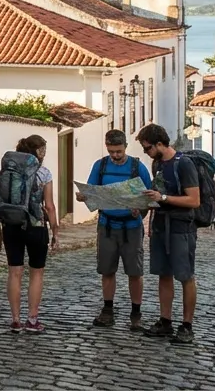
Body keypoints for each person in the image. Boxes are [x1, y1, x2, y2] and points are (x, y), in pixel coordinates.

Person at [76, 129, 153, 330]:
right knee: (107, 270)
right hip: (107, 225)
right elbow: (92, 190)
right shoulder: (100, 166)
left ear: (125, 147)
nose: (115, 156)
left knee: (135, 272)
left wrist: (141, 209)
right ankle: (107, 309)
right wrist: (84, 196)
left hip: (132, 226)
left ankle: (136, 313)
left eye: (118, 151)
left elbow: (150, 196)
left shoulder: (137, 167)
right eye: (111, 151)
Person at [136, 123, 201, 345]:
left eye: (147, 148)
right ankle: (165, 321)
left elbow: (194, 200)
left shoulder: (184, 165)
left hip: (181, 227)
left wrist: (163, 199)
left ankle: (187, 326)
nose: (146, 153)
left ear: (160, 144)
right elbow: (157, 196)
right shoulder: (157, 164)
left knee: (185, 276)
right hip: (160, 226)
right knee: (163, 274)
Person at [0, 134, 59, 334]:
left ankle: (15, 320)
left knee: (14, 271)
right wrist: (55, 231)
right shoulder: (44, 173)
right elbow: (49, 206)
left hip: (11, 224)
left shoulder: (9, 169)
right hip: (35, 225)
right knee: (36, 272)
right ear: (39, 152)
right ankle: (32, 319)